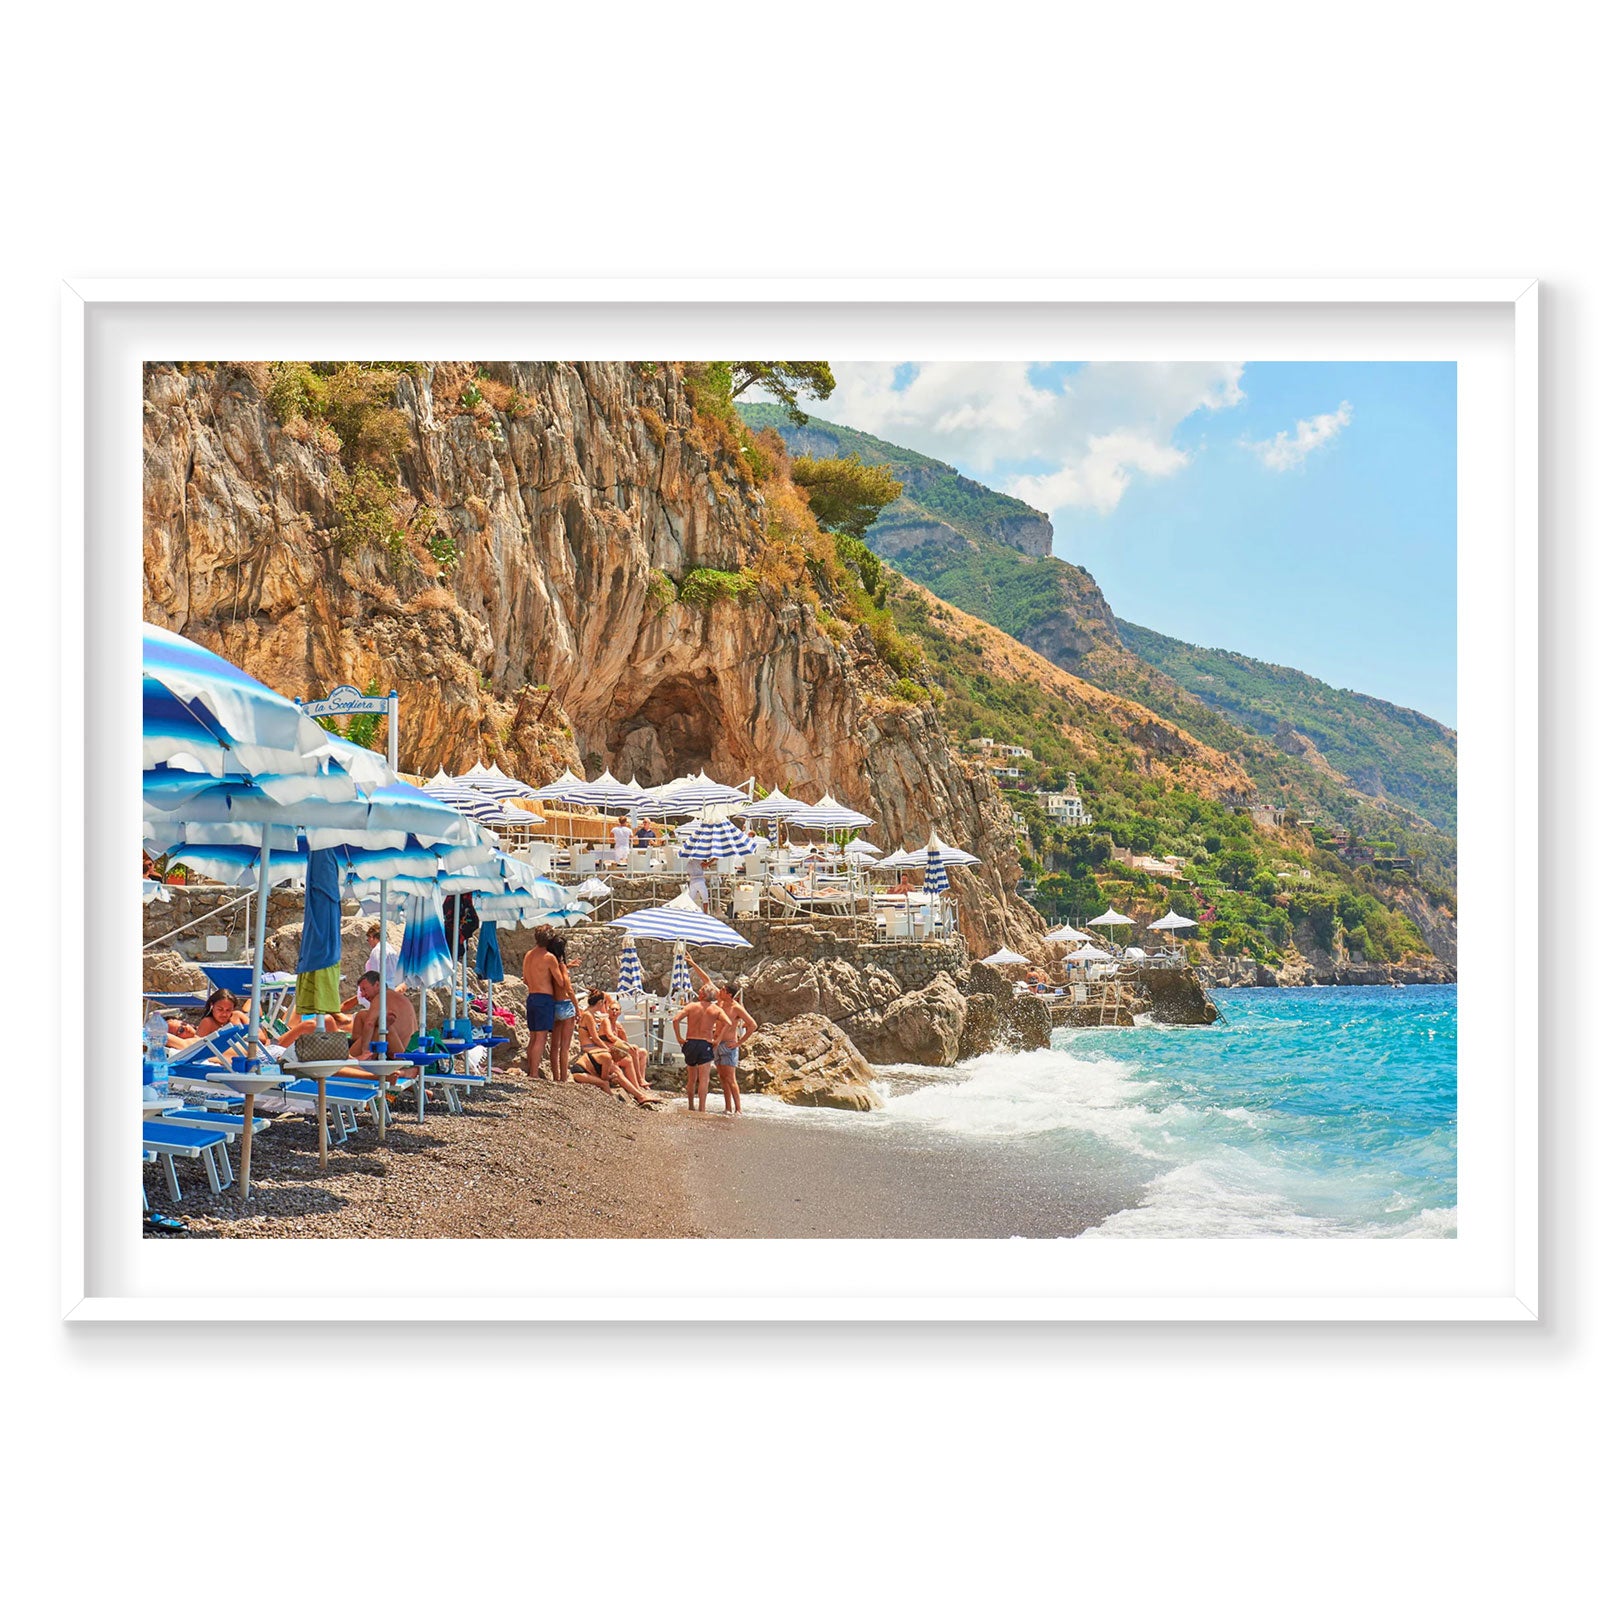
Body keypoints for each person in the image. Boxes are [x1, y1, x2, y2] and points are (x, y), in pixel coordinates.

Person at [690, 957, 757, 1115]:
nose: (719, 991)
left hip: (728, 1044)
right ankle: (728, 1108)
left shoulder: (736, 1008)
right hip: (716, 1044)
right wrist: (693, 963)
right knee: (722, 1077)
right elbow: (706, 980)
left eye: (723, 990)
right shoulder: (719, 1001)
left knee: (730, 1078)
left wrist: (739, 1043)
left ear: (729, 994)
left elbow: (753, 1025)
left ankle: (738, 1109)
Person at [573, 995, 659, 1104]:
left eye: (616, 1010)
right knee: (616, 1071)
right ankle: (635, 1095)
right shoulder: (595, 1018)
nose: (613, 1011)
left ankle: (638, 1090)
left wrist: (622, 1034)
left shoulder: (613, 1024)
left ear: (620, 1012)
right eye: (611, 1008)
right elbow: (601, 1037)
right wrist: (611, 1074)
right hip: (584, 1062)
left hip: (590, 1059)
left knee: (633, 1056)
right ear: (601, 1003)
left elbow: (605, 1077)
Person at [347, 970, 417, 1076]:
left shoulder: (381, 997)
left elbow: (369, 1024)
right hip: (411, 1047)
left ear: (377, 985)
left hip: (400, 1053)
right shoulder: (399, 998)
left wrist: (365, 1051)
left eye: (364, 989)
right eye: (361, 991)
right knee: (362, 1016)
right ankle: (356, 1049)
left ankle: (354, 1057)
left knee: (380, 1028)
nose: (363, 994)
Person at [672, 984, 728, 1113]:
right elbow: (727, 1023)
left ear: (703, 995)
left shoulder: (691, 1006)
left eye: (700, 990)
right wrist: (718, 1040)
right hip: (705, 1043)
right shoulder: (715, 1009)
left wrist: (679, 1038)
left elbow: (676, 1019)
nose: (698, 991)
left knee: (692, 1078)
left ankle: (691, 1106)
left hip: (690, 1042)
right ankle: (702, 1108)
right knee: (704, 1078)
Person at [521, 925, 563, 1080]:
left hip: (531, 997)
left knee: (533, 1037)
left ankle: (531, 1070)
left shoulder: (528, 955)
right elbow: (560, 980)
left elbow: (525, 979)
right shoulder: (549, 958)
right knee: (541, 1037)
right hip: (544, 999)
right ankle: (534, 1073)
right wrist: (564, 968)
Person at [547, 932, 579, 1080]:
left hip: (553, 1005)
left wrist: (568, 966)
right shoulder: (561, 966)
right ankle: (563, 1079)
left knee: (554, 1046)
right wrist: (578, 1009)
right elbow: (568, 989)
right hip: (566, 1006)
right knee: (565, 1047)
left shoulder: (550, 965)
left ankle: (555, 1077)